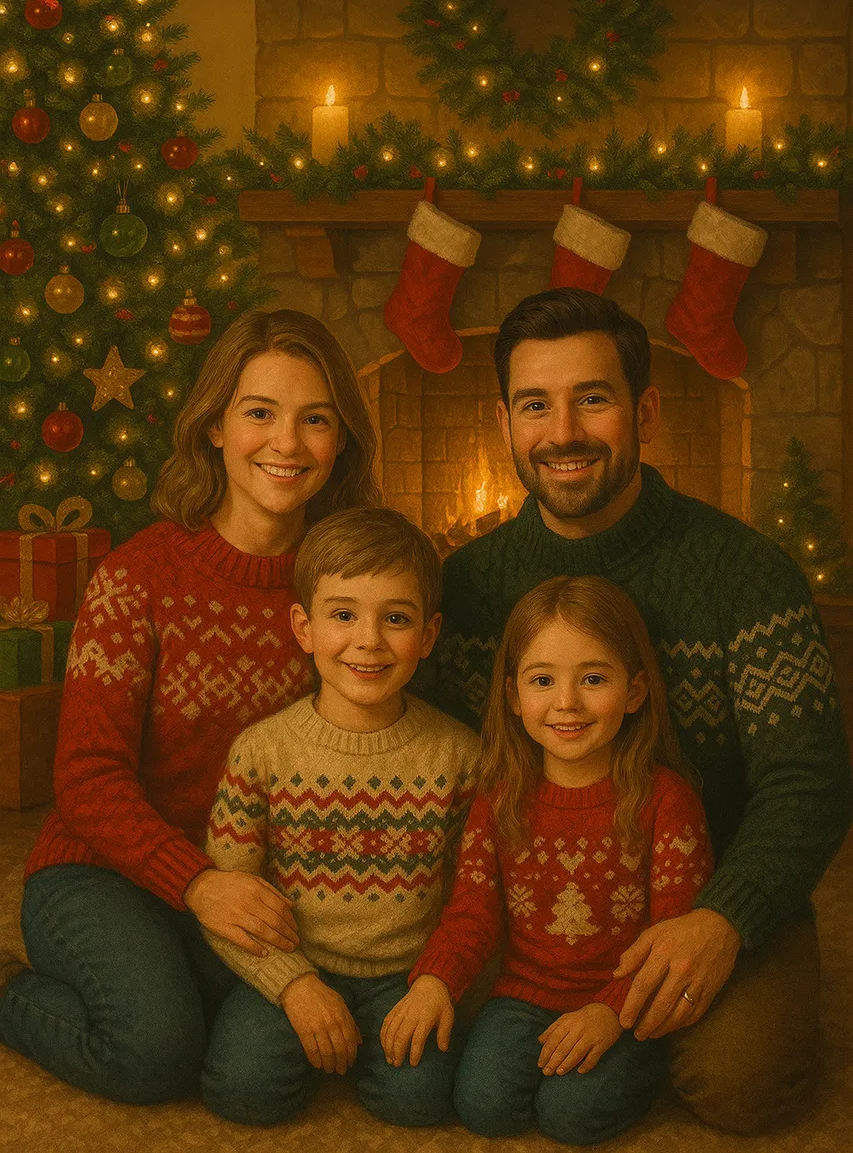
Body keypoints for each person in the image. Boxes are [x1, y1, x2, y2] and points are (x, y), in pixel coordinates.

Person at [421, 288, 852, 1135]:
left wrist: (723, 917)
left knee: (742, 1085)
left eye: (592, 399)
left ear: (644, 412)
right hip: (533, 896)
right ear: (503, 422)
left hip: (705, 887)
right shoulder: (466, 584)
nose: (563, 432)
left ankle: (652, 1024)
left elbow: (808, 781)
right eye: (534, 405)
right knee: (430, 1062)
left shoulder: (746, 574)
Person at [0, 308, 381, 1105]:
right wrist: (199, 883)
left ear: (342, 440)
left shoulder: (355, 591)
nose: (286, 443)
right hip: (101, 871)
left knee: (249, 1056)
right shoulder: (137, 576)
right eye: (259, 413)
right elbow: (87, 779)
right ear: (214, 426)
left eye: (316, 419)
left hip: (255, 883)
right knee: (153, 1054)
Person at [382, 575, 712, 1144]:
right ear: (514, 697)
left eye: (593, 679)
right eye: (543, 680)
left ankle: (636, 1069)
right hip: (522, 995)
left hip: (623, 1003)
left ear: (635, 691)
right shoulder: (500, 798)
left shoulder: (665, 801)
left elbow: (671, 936)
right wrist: (434, 981)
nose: (567, 703)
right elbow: (472, 915)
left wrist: (611, 1013)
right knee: (484, 1108)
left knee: (571, 1116)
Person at [199, 506, 478, 1128]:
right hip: (295, 965)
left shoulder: (460, 755)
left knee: (419, 1101)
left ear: (428, 635)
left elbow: (474, 897)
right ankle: (312, 1033)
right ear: (304, 627)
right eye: (343, 615)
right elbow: (231, 897)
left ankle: (356, 1050)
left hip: (406, 975)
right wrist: (293, 985)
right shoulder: (262, 751)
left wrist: (437, 982)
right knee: (243, 1092)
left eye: (396, 618)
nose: (369, 640)